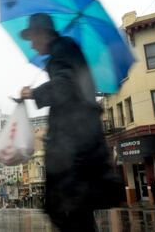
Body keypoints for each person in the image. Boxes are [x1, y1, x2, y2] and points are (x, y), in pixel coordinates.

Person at [20, 13, 122, 232]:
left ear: (43, 34)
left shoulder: (62, 50)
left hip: (75, 148)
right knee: (74, 212)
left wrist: (33, 93)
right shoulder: (63, 52)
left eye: (33, 38)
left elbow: (64, 88)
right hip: (79, 145)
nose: (32, 45)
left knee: (66, 210)